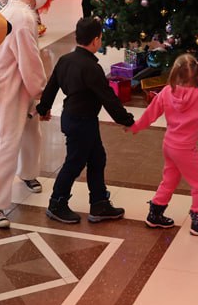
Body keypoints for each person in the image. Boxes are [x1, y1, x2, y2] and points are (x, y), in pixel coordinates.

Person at [0, 0, 58, 229]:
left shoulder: (9, 8)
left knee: (30, 131)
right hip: (10, 87)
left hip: (8, 82)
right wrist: (41, 92)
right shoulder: (24, 18)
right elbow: (29, 60)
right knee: (7, 143)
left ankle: (28, 173)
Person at [35, 16, 133, 224]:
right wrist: (126, 120)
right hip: (82, 122)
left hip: (75, 119)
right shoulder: (92, 68)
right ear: (96, 40)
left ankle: (99, 203)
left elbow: (51, 87)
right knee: (74, 162)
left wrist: (44, 108)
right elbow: (108, 98)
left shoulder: (65, 60)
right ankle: (57, 202)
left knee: (98, 158)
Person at [131, 53, 198, 237]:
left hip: (168, 145)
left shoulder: (167, 91)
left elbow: (151, 113)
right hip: (185, 149)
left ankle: (155, 213)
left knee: (170, 179)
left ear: (175, 73)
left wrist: (137, 126)